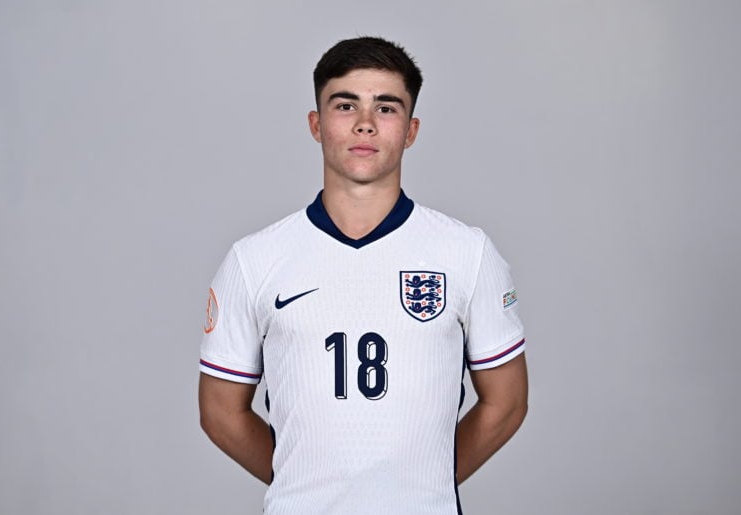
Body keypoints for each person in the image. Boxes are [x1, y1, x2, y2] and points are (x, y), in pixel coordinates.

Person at [198, 36, 528, 514]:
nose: (366, 124)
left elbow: (507, 404)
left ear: (411, 130)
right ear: (316, 124)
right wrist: (306, 480)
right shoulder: (255, 259)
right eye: (345, 104)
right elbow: (220, 412)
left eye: (387, 108)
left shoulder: (466, 252)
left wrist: (423, 484)